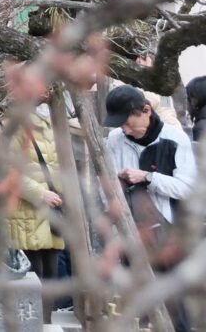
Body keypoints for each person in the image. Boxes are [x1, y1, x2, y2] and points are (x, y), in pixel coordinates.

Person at [103, 83, 197, 332]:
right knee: (136, 307)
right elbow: (107, 184)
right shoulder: (115, 139)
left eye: (128, 122)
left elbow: (187, 188)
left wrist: (148, 177)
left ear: (146, 110)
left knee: (175, 305)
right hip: (130, 232)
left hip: (169, 235)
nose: (124, 129)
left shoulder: (175, 139)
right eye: (120, 124)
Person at [3, 103, 74, 321]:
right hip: (27, 211)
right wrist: (40, 194)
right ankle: (34, 324)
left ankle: (45, 323)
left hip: (52, 211)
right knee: (34, 274)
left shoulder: (52, 122)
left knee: (51, 275)